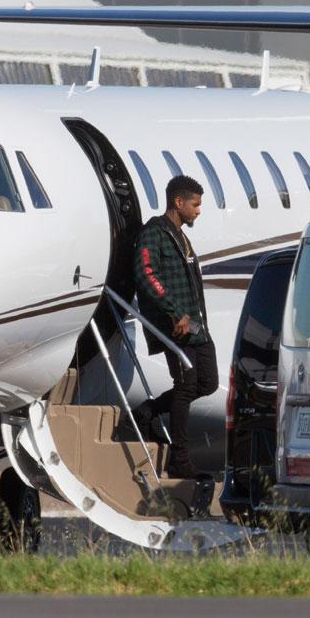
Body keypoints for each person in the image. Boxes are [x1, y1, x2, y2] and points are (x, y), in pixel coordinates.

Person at [130, 175, 218, 478]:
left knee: (208, 382)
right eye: (195, 204)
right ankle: (181, 460)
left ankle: (149, 411)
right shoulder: (154, 233)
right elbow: (145, 274)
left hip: (195, 324)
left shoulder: (181, 236)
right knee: (185, 386)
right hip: (175, 326)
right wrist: (175, 313)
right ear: (178, 202)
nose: (198, 211)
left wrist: (195, 319)